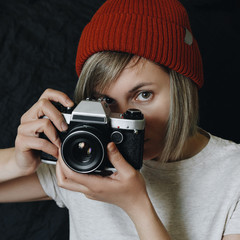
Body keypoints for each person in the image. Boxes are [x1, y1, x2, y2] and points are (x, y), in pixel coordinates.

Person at [0, 0, 240, 239]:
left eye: (143, 95)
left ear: (183, 90)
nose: (125, 117)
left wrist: (137, 205)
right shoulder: (84, 157)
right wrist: (19, 164)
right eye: (106, 102)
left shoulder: (233, 176)